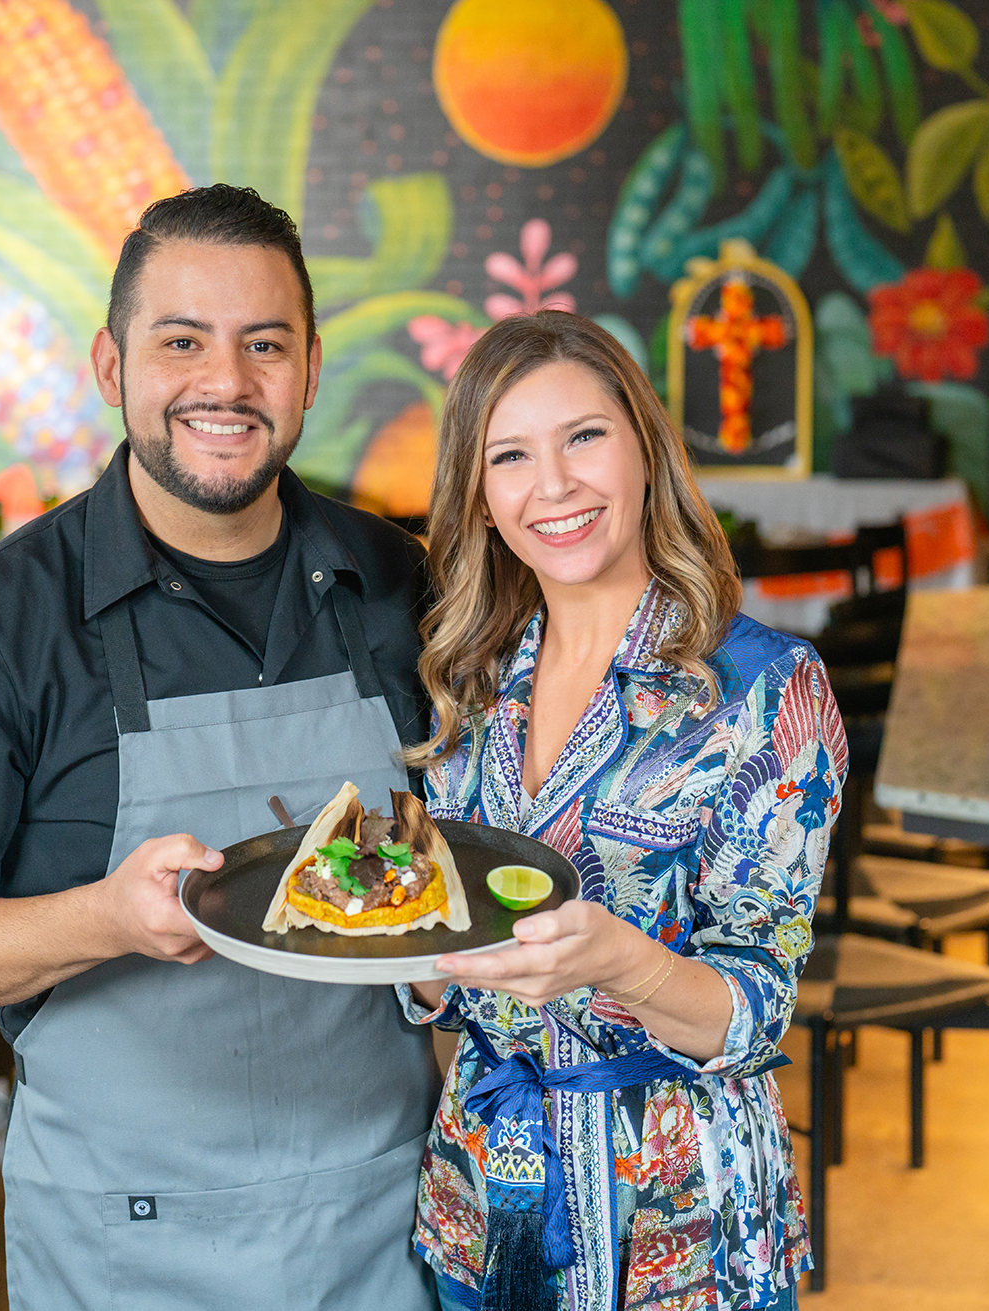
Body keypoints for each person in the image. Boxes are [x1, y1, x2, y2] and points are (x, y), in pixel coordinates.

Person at [0, 185, 440, 1310]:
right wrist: (105, 919)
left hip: (384, 1222)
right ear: (111, 366)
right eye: (181, 342)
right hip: (123, 1246)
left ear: (310, 370)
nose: (227, 382)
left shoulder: (401, 583)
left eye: (265, 345)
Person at [400, 311, 844, 1311]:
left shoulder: (765, 690)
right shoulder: (465, 679)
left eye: (584, 437)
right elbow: (440, 957)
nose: (553, 485)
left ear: (645, 448)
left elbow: (757, 1003)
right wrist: (408, 952)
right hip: (480, 1198)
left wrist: (620, 963)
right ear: (480, 497)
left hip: (679, 1232)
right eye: (510, 456)